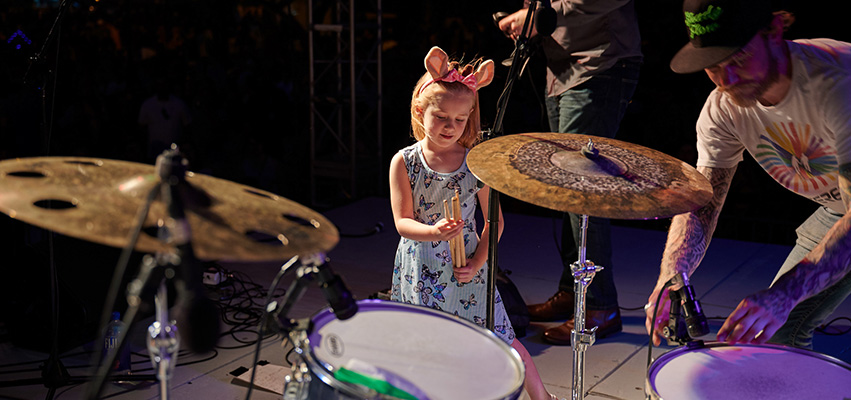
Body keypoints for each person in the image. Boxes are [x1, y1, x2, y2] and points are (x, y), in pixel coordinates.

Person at [645, 0, 851, 350]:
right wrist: (672, 274)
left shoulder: (838, 87)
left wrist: (785, 294)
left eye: (738, 59)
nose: (727, 80)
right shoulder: (722, 109)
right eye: (713, 66)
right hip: (842, 206)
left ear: (774, 30)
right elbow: (702, 202)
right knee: (776, 331)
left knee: (784, 303)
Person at [389, 46, 559, 400]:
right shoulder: (405, 162)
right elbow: (403, 223)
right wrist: (433, 232)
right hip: (420, 267)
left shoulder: (475, 163)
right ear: (421, 111)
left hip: (467, 265)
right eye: (441, 117)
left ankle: (541, 397)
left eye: (460, 119)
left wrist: (478, 262)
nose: (451, 127)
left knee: (501, 336)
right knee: (426, 345)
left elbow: (493, 223)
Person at [497, 0, 643, 345]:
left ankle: (599, 305)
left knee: (583, 189)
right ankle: (572, 293)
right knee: (567, 188)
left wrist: (541, 16)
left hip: (600, 63)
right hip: (562, 70)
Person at [138, 77, 192, 163]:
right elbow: (142, 127)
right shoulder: (148, 105)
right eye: (159, 85)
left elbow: (187, 126)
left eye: (164, 85)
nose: (162, 87)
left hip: (174, 149)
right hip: (154, 149)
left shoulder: (179, 104)